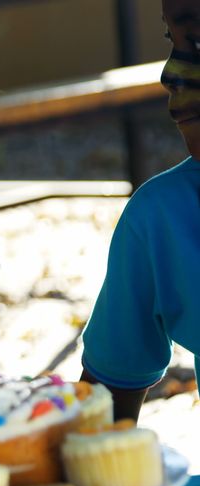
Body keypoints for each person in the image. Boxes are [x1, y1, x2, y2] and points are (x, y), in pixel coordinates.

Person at [80, 0, 200, 424]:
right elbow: (102, 414)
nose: (171, 73)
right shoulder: (163, 218)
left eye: (198, 40)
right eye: (174, 39)